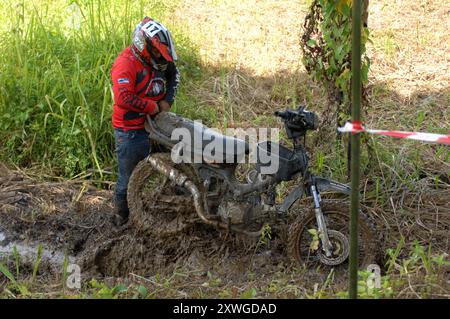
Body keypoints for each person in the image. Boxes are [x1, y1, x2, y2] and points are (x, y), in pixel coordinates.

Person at [111, 17, 180, 225]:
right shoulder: (125, 64)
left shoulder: (159, 61)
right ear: (145, 47)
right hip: (130, 129)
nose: (161, 58)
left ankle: (180, 201)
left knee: (178, 158)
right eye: (158, 52)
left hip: (157, 123)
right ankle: (121, 218)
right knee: (129, 177)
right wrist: (153, 106)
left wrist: (167, 101)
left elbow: (174, 75)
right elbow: (123, 97)